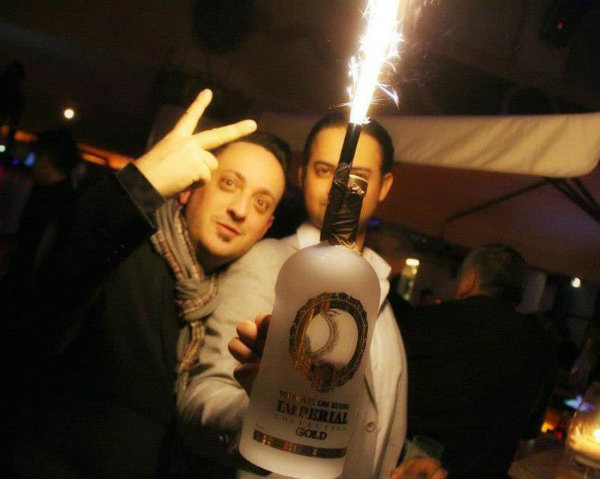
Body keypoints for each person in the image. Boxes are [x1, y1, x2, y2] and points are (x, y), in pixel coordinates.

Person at [4, 89, 290, 478]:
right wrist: (140, 185)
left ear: (266, 227)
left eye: (260, 203)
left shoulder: (228, 301)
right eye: (228, 183)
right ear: (189, 189)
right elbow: (47, 288)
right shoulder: (126, 251)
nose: (240, 210)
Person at [177, 112, 446, 479]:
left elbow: (370, 418)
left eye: (358, 176)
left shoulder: (376, 283)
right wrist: (262, 412)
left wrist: (399, 464)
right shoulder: (267, 262)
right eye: (324, 170)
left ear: (384, 187)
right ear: (302, 175)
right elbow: (200, 399)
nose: (340, 187)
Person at [402, 244, 555, 479]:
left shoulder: (424, 320)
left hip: (408, 468)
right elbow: (528, 431)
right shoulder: (540, 345)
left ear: (470, 280)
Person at [366, 221, 414, 321]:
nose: (366, 255)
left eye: (376, 251)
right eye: (364, 247)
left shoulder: (405, 316)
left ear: (400, 262)